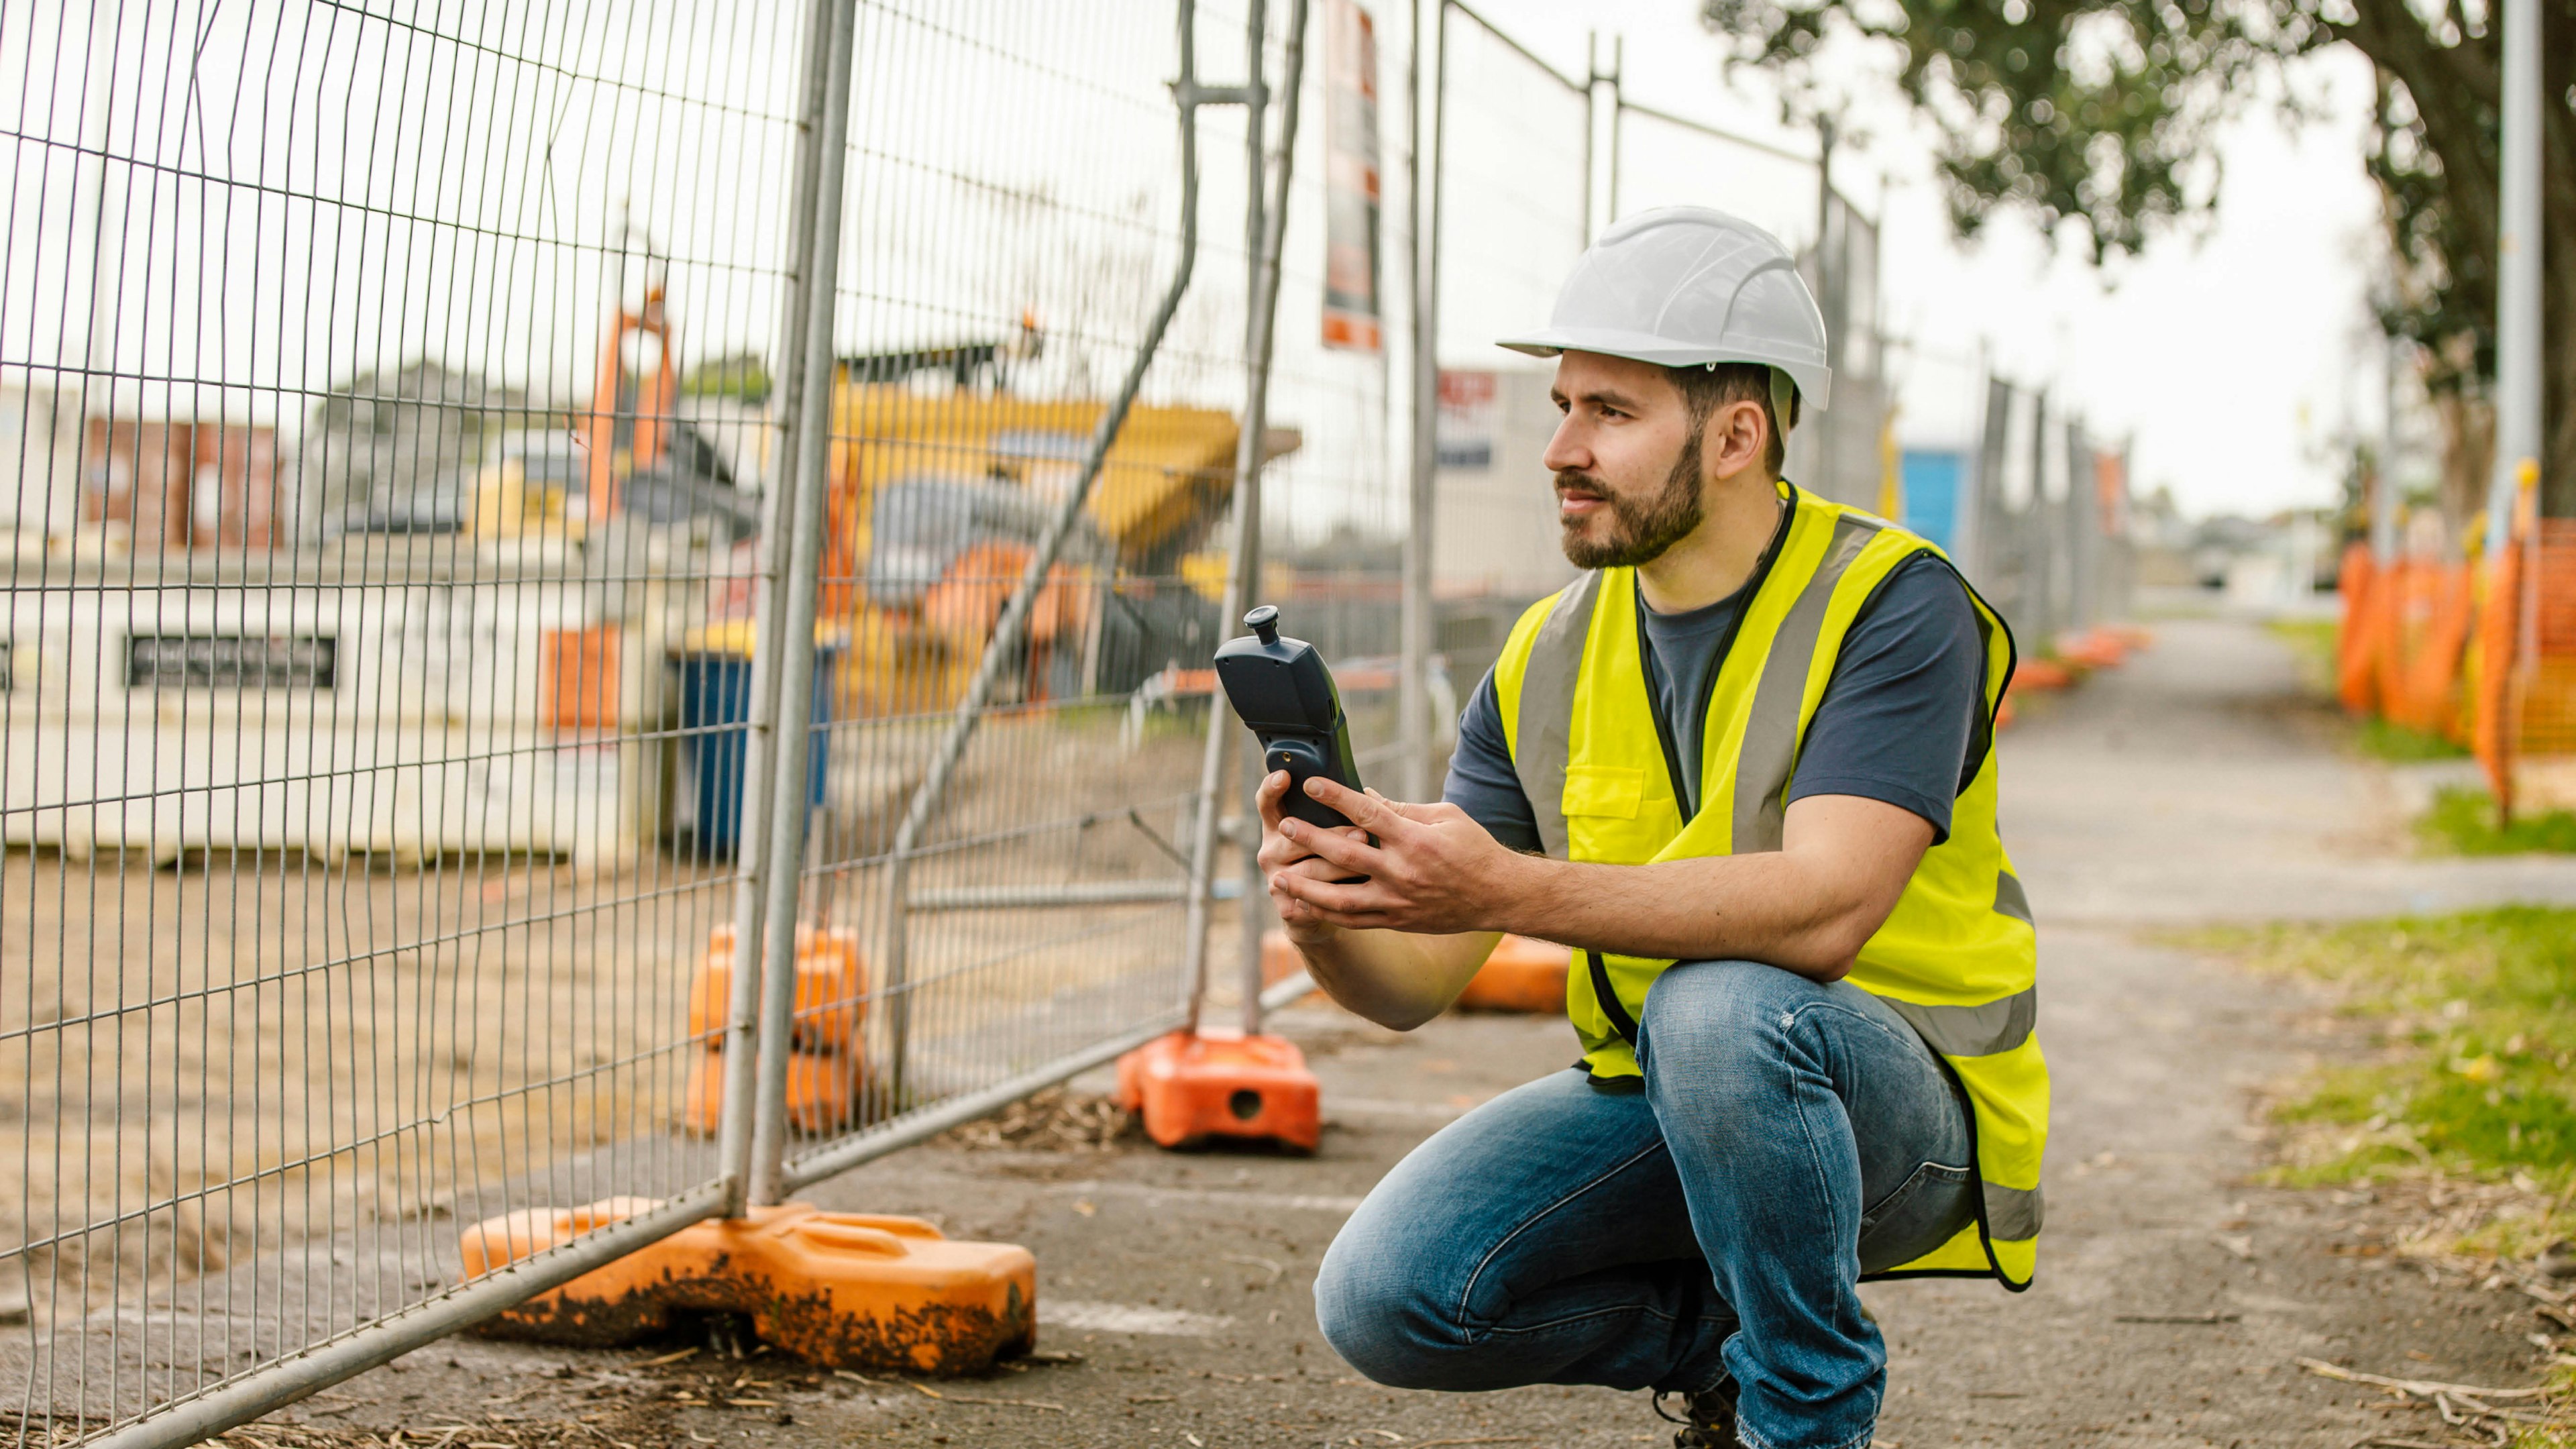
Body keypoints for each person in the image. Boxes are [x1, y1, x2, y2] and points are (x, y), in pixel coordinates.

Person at [1265, 208, 2048, 1449]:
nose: (1561, 448)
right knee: (1390, 1299)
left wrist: (1504, 888)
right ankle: (1733, 1356)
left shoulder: (1896, 604)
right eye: (1563, 405)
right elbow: (1413, 986)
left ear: (1738, 435)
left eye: (1610, 414)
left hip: (1902, 1109)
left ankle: (1805, 1413)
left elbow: (1829, 909)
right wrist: (1331, 906)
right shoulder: (1547, 652)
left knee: (1721, 1003)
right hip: (1674, 1103)